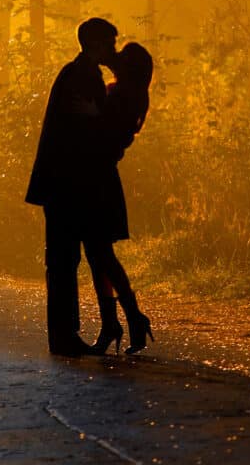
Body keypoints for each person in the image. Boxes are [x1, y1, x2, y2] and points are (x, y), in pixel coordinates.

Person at [25, 17, 118, 356]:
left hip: (62, 183)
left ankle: (65, 334)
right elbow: (86, 131)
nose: (114, 49)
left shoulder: (75, 73)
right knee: (65, 260)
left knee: (65, 259)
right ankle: (64, 336)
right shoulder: (82, 77)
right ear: (95, 44)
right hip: (69, 184)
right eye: (110, 42)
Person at [81, 42, 154, 355]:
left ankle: (129, 317)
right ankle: (116, 320)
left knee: (100, 254)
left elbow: (97, 127)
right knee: (98, 254)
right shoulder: (128, 95)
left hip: (98, 177)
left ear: (129, 69)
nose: (115, 61)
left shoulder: (121, 97)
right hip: (101, 176)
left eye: (121, 59)